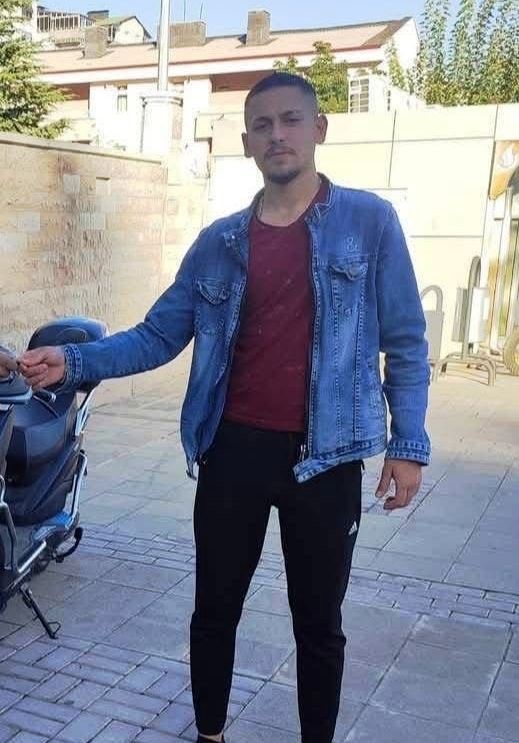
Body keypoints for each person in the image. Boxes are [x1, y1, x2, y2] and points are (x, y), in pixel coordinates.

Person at [20, 72, 430, 743]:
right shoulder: (219, 242)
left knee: (318, 624)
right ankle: (208, 734)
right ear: (246, 142)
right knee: (213, 610)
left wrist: (407, 444)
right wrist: (75, 360)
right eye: (262, 124)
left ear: (319, 129)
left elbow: (406, 341)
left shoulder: (369, 222)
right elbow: (157, 335)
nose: (277, 135)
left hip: (326, 458)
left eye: (291, 120)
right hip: (231, 450)